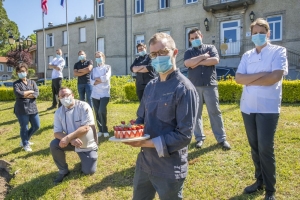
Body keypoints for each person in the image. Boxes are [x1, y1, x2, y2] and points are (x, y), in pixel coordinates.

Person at [125, 33, 199, 200]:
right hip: (144, 163)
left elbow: (184, 135)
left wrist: (146, 142)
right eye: (153, 54)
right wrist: (131, 133)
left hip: (169, 168)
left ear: (174, 52)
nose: (158, 57)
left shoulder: (185, 89)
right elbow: (140, 119)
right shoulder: (150, 86)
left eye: (162, 52)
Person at [235, 18, 288, 200]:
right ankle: (259, 182)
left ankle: (270, 190)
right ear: (251, 34)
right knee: (255, 147)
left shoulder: (278, 51)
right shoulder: (247, 55)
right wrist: (261, 75)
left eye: (261, 32)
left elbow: (275, 77)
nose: (257, 35)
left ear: (268, 33)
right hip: (248, 107)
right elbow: (238, 78)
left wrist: (251, 78)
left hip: (268, 107)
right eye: (254, 32)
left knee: (265, 147)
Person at [184, 28, 231, 150]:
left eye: (196, 37)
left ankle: (221, 139)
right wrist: (204, 58)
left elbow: (215, 60)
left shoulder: (210, 48)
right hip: (194, 86)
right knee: (196, 114)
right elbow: (188, 63)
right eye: (192, 38)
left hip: (210, 85)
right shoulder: (188, 52)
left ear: (201, 36)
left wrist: (197, 62)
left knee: (215, 112)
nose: (194, 40)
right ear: (189, 40)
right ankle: (199, 138)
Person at [50, 87, 98, 184]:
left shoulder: (84, 106)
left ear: (72, 95)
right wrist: (70, 140)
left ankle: (88, 158)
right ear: (59, 98)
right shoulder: (58, 112)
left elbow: (85, 127)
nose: (65, 97)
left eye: (67, 95)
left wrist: (68, 137)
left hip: (85, 144)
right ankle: (63, 171)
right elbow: (57, 132)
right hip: (71, 142)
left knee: (89, 171)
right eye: (62, 96)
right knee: (54, 144)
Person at [13, 62, 40, 152]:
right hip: (21, 109)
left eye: (23, 71)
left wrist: (25, 94)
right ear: (17, 73)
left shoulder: (32, 82)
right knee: (24, 127)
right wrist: (30, 91)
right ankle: (25, 144)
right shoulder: (16, 84)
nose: (21, 73)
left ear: (26, 72)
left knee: (36, 126)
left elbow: (36, 93)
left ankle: (25, 139)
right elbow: (19, 94)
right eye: (19, 72)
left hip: (33, 108)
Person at [90, 51, 111, 138]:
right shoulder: (94, 70)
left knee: (101, 111)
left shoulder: (107, 67)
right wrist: (100, 80)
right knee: (97, 112)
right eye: (97, 57)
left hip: (105, 93)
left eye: (100, 56)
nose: (98, 58)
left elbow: (106, 78)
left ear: (103, 57)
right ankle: (100, 130)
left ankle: (105, 129)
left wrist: (97, 80)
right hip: (95, 94)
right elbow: (91, 82)